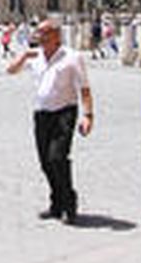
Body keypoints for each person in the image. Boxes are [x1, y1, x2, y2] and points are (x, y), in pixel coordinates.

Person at [6, 17, 95, 224]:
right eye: (38, 33)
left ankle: (69, 203)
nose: (39, 36)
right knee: (45, 162)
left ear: (56, 35)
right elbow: (10, 70)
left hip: (65, 112)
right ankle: (56, 203)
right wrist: (24, 55)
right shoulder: (36, 57)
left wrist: (88, 115)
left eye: (43, 33)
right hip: (41, 113)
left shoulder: (73, 57)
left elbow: (84, 88)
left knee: (57, 158)